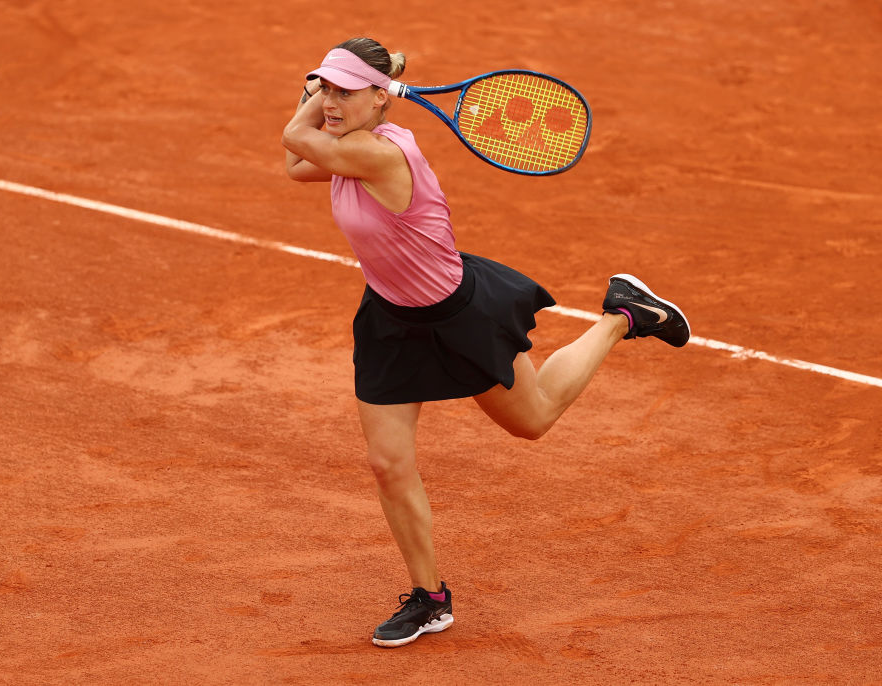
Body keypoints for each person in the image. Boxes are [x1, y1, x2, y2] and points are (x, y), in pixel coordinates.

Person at [281, 37, 690, 648]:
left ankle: (622, 315)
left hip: (457, 315)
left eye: (344, 89)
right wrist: (338, 96)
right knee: (388, 463)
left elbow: (295, 140)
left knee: (535, 418)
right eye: (325, 86)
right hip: (390, 319)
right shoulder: (348, 147)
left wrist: (314, 101)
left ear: (379, 97)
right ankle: (430, 598)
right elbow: (296, 167)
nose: (329, 100)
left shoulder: (376, 154)